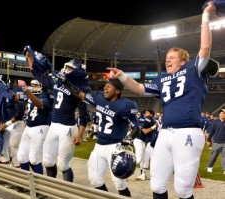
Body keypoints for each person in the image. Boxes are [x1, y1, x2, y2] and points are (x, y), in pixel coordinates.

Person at [107, 2, 218, 198]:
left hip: (187, 134)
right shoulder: (160, 79)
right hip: (165, 133)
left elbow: (206, 46)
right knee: (157, 186)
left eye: (172, 57)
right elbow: (139, 89)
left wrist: (205, 16)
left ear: (183, 60)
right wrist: (122, 76)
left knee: (183, 189)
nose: (167, 59)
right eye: (166, 57)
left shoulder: (193, 69)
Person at [62, 78, 140, 197]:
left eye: (109, 86)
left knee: (119, 182)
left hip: (116, 146)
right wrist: (66, 82)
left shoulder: (126, 105)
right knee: (95, 179)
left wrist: (127, 140)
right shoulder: (99, 99)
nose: (105, 88)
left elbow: (136, 128)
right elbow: (79, 93)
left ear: (118, 91)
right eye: (105, 86)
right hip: (99, 145)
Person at [25, 46, 91, 182]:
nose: (66, 70)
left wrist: (80, 134)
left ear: (77, 72)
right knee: (48, 161)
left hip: (67, 128)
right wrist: (29, 58)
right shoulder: (58, 82)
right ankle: (51, 190)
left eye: (70, 68)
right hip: (54, 125)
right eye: (66, 67)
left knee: (63, 164)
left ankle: (66, 192)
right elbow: (37, 75)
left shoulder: (80, 89)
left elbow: (84, 115)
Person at [17, 79, 53, 175]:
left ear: (42, 86)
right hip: (28, 127)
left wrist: (26, 90)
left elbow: (39, 103)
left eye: (35, 85)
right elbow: (17, 98)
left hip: (40, 127)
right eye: (32, 85)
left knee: (34, 159)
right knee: (21, 156)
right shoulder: (31, 95)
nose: (33, 87)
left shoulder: (48, 95)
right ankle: (25, 183)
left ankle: (39, 186)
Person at [0, 75, 27, 167]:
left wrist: (7, 124)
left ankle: (18, 177)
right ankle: (5, 177)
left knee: (14, 151)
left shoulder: (15, 91)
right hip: (6, 124)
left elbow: (20, 112)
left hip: (16, 123)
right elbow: (3, 109)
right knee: (3, 150)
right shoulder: (2, 93)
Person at [206, 109, 225, 174]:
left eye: (224, 113)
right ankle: (209, 166)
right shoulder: (215, 122)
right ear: (219, 114)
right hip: (217, 142)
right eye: (221, 113)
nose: (222, 114)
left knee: (224, 157)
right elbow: (211, 132)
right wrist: (208, 140)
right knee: (214, 156)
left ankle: (224, 169)